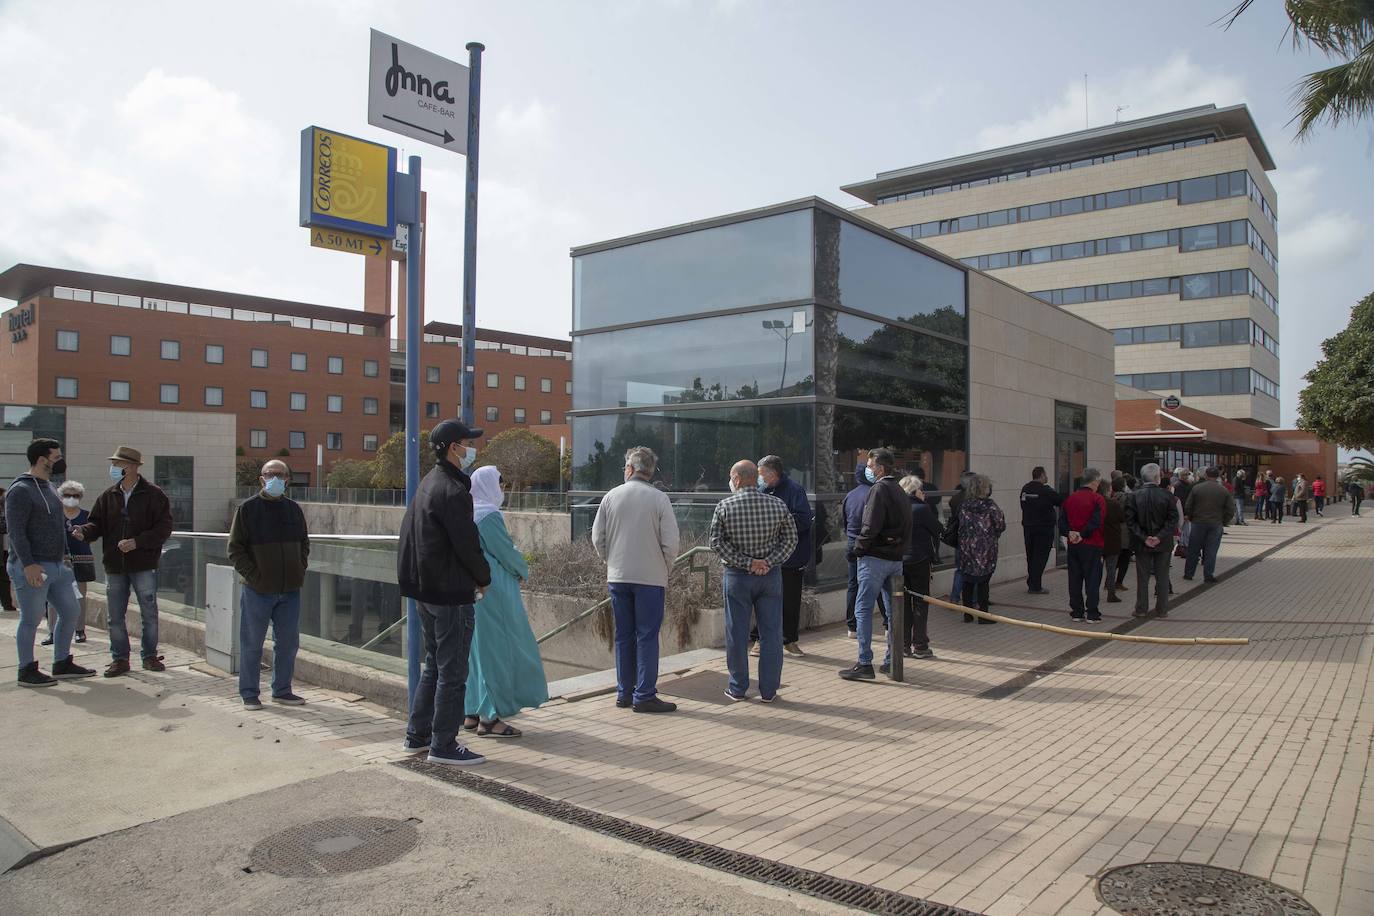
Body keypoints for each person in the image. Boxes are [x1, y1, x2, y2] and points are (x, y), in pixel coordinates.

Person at [397, 419, 493, 765]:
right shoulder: (453, 491)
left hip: (426, 591)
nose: (471, 449)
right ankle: (444, 745)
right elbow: (467, 545)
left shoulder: (429, 484)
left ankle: (417, 735)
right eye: (467, 443)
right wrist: (483, 577)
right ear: (454, 448)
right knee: (452, 672)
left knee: (433, 666)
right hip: (450, 593)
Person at [591, 445, 680, 714]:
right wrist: (664, 568)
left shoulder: (610, 496)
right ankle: (644, 694)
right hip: (650, 578)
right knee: (647, 636)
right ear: (649, 472)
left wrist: (611, 560)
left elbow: (598, 538)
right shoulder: (659, 498)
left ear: (630, 468)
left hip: (618, 575)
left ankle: (624, 692)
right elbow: (671, 543)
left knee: (623, 636)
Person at [461, 466, 549, 736]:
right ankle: (491, 717)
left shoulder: (468, 511)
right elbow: (505, 553)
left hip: (473, 588)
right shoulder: (489, 515)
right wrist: (524, 569)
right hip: (495, 590)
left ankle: (472, 712)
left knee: (476, 652)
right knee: (498, 651)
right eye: (500, 483)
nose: (502, 489)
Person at [73, 446, 174, 677]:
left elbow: (164, 527)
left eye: (118, 464)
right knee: (115, 616)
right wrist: (84, 532)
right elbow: (96, 523)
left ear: (132, 467)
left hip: (143, 564)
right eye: (114, 464)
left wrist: (137, 542)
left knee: (149, 612)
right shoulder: (108, 495)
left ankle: (149, 656)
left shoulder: (154, 494)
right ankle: (120, 659)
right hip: (115, 565)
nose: (114, 468)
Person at [5, 438, 96, 686]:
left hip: (57, 566)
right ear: (42, 459)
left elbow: (58, 527)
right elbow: (16, 532)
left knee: (70, 611)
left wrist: (65, 558)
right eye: (56, 457)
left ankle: (62, 662)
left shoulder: (50, 488)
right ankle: (26, 669)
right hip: (33, 566)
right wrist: (28, 564)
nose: (60, 461)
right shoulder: (20, 490)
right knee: (31, 618)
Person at [709, 460, 797, 701]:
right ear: (754, 478)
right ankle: (769, 691)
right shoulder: (777, 504)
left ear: (736, 479)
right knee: (771, 634)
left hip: (737, 577)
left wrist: (748, 563)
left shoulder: (725, 506)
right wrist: (767, 561)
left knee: (736, 633)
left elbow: (716, 542)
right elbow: (790, 540)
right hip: (770, 577)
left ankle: (738, 688)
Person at [227, 459, 310, 709]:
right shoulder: (247, 510)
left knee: (288, 643)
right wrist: (254, 576)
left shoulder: (293, 509)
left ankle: (282, 690)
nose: (275, 478)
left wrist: (299, 568)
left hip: (290, 590)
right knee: (252, 643)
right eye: (270, 474)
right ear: (261, 479)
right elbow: (235, 550)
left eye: (280, 474)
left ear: (287, 479)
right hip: (257, 590)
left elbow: (304, 544)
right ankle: (249, 693)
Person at [840, 448, 911, 680]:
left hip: (875, 559)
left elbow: (870, 525)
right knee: (893, 612)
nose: (868, 470)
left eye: (870, 466)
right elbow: (906, 526)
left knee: (863, 609)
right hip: (895, 560)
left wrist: (858, 549)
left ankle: (864, 662)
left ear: (880, 468)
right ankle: (891, 660)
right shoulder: (900, 490)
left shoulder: (878, 489)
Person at [749, 455, 813, 657]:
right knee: (763, 600)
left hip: (791, 557)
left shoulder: (794, 491)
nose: (758, 478)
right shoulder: (759, 491)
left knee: (791, 600)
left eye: (761, 474)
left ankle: (789, 640)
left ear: (772, 473)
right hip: (765, 557)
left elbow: (804, 520)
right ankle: (759, 640)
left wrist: (777, 523)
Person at [1125, 463, 1180, 619]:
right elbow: (1173, 519)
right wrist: (1159, 536)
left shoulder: (1133, 495)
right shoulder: (1167, 495)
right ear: (1158, 477)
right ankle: (1162, 609)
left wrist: (1144, 537)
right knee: (1162, 576)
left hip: (1142, 543)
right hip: (1163, 543)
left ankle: (1141, 608)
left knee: (1142, 577)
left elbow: (1130, 522)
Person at [42, 480, 92, 646]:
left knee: (80, 596)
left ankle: (79, 630)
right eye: (68, 495)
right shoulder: (54, 514)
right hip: (57, 559)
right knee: (53, 596)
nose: (71, 498)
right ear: (61, 497)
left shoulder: (86, 516)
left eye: (75, 495)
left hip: (82, 558)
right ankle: (52, 631)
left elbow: (94, 533)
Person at [899, 474, 943, 659]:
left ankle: (903, 645)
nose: (923, 492)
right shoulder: (922, 509)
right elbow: (937, 529)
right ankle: (920, 644)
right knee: (920, 602)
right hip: (919, 559)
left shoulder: (896, 508)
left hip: (899, 561)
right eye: (921, 489)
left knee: (903, 602)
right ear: (915, 490)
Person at [842, 459, 886, 637]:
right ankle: (888, 623)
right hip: (870, 544)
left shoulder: (850, 495)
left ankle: (851, 626)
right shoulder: (876, 494)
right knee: (879, 584)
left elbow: (844, 523)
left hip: (852, 543)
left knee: (853, 585)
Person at [955, 474, 1006, 625]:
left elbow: (958, 523)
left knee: (967, 581)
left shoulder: (964, 505)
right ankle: (983, 615)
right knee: (983, 581)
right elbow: (1000, 525)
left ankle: (968, 614)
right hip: (986, 548)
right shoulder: (990, 506)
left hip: (966, 547)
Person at [1060, 469, 1107, 623]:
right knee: (1092, 578)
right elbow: (1097, 521)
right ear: (1094, 482)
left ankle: (1077, 611)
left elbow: (1061, 521)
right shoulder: (1097, 499)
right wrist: (1083, 534)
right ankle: (1092, 613)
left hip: (1073, 544)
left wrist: (1070, 533)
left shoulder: (1070, 499)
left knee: (1074, 577)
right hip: (1092, 543)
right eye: (1098, 483)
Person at [1183, 468, 1236, 583]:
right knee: (1211, 550)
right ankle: (1208, 575)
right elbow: (1231, 509)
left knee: (1193, 549)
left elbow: (1188, 506)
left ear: (1206, 475)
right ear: (1218, 476)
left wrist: (1191, 517)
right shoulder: (1223, 490)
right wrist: (1224, 521)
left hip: (1198, 522)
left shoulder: (1196, 488)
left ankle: (1188, 573)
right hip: (1216, 523)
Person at [1019, 466, 1061, 595]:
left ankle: (1032, 580)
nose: (1047, 477)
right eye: (1046, 474)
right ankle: (1035, 585)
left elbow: (1023, 504)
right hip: (1044, 528)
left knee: (1031, 555)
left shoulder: (1025, 489)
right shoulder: (1046, 490)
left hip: (1029, 527)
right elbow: (1060, 501)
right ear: (1042, 475)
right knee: (1040, 556)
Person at [1102, 477, 1127, 604]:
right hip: (1112, 539)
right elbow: (1122, 518)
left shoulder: (1096, 502)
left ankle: (1093, 592)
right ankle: (1111, 593)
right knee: (1111, 568)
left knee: (1095, 569)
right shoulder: (1113, 504)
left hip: (1097, 540)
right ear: (1108, 490)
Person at [0, 486, 16, 612]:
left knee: (5, 579)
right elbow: (6, 527)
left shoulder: (8, 511)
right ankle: (7, 604)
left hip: (7, 550)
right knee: (4, 578)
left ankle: (7, 604)